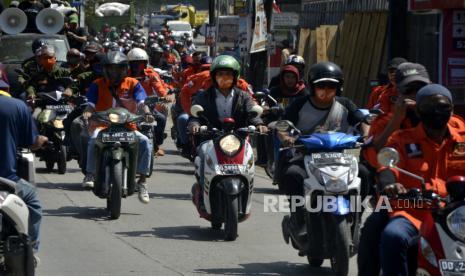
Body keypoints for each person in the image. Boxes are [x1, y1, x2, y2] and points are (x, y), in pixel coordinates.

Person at [357, 84, 465, 276]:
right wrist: (391, 184)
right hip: (414, 209)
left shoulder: (462, 138)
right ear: (418, 109)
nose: (437, 112)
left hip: (457, 214)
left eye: (443, 107)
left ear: (452, 109)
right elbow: (387, 166)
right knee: (393, 236)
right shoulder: (401, 139)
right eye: (430, 107)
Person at [277, 62, 368, 242]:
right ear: (312, 87)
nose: (326, 90)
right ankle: (299, 218)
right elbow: (282, 125)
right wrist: (287, 138)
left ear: (338, 87)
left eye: (331, 86)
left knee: (364, 174)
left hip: (340, 157)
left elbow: (362, 119)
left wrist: (365, 135)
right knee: (292, 174)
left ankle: (357, 216)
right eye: (321, 86)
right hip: (305, 155)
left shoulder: (345, 104)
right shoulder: (300, 104)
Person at [83, 51, 153, 204]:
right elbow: (90, 105)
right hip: (103, 125)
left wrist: (147, 113)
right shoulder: (97, 84)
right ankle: (90, 173)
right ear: (105, 70)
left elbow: (142, 102)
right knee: (93, 139)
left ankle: (142, 181)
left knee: (145, 142)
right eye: (111, 69)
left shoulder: (133, 83)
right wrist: (88, 113)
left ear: (124, 69)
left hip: (128, 125)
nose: (114, 72)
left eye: (118, 69)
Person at [187, 55, 267, 187]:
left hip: (238, 138)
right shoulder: (203, 96)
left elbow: (252, 112)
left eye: (228, 74)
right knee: (201, 156)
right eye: (220, 74)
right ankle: (202, 190)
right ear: (214, 76)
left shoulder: (243, 96)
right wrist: (194, 125)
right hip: (210, 138)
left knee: (249, 162)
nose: (224, 77)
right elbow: (195, 117)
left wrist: (259, 124)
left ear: (235, 76)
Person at [0, 93, 48, 256]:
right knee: (33, 202)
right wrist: (40, 140)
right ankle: (31, 252)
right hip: (6, 180)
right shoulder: (16, 106)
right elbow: (32, 142)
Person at [127, 47, 169, 156]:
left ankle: (157, 145)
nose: (138, 66)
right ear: (129, 64)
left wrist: (164, 96)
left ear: (145, 63)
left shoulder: (151, 74)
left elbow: (159, 88)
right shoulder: (124, 74)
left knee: (161, 118)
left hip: (147, 105)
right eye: (135, 64)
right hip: (127, 106)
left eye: (141, 63)